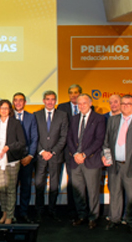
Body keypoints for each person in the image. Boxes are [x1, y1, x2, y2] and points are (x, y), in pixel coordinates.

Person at [102, 95, 132, 234]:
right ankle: (114, 219)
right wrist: (106, 158)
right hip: (115, 165)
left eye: (129, 104)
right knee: (115, 194)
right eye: (123, 104)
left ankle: (131, 221)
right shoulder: (113, 120)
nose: (125, 106)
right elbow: (106, 142)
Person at [67, 94, 106, 229]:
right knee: (78, 192)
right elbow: (69, 138)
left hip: (91, 161)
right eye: (79, 103)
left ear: (90, 103)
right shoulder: (73, 119)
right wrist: (76, 154)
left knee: (93, 191)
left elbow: (99, 140)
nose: (82, 106)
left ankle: (93, 217)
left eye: (84, 103)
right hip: (75, 161)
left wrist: (84, 154)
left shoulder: (99, 119)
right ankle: (82, 216)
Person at [34, 90, 68, 222]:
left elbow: (64, 136)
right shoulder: (36, 115)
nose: (50, 101)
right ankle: (39, 211)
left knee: (54, 185)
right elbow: (34, 136)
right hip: (40, 156)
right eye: (47, 99)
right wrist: (42, 151)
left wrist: (53, 151)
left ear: (56, 101)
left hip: (55, 156)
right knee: (39, 184)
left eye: (53, 99)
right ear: (43, 100)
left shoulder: (63, 115)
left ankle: (52, 211)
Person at [0, 99, 26, 224]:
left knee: (11, 190)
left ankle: (10, 216)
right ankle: (4, 214)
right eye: (2, 108)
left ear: (10, 110)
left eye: (6, 108)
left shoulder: (15, 123)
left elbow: (22, 143)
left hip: (11, 160)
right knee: (2, 189)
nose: (4, 110)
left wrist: (8, 147)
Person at [58, 84, 84, 220]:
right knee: (72, 181)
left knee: (84, 181)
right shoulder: (62, 108)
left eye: (76, 93)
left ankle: (84, 210)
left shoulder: (86, 107)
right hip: (68, 150)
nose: (73, 95)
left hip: (85, 152)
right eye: (71, 92)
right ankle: (72, 211)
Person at [12, 93, 38, 224]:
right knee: (12, 187)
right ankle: (13, 213)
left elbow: (34, 138)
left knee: (26, 187)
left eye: (20, 100)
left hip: (27, 158)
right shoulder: (9, 116)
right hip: (12, 159)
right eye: (15, 100)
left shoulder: (31, 117)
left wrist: (30, 155)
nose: (18, 103)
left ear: (25, 102)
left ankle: (23, 213)